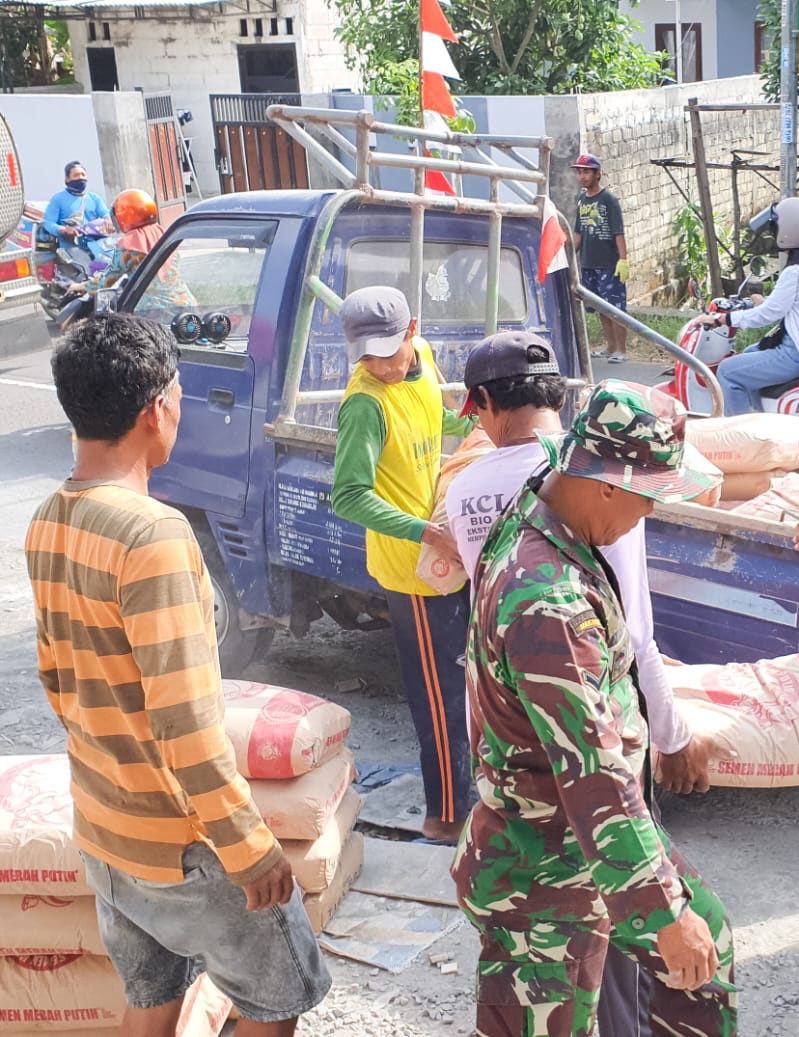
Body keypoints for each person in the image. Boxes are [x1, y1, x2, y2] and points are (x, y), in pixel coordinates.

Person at [26, 313, 331, 1035]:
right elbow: (187, 724)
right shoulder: (151, 535)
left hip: (104, 828)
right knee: (275, 1000)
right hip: (182, 845)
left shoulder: (50, 517)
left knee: (150, 1003)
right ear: (156, 408)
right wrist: (250, 849)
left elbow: (57, 683)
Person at [452, 380, 735, 1037]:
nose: (648, 514)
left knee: (704, 954)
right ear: (607, 482)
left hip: (576, 842)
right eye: (648, 496)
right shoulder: (548, 602)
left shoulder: (545, 500)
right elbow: (595, 777)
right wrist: (663, 911)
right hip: (543, 870)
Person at [330, 285, 474, 841]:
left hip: (447, 555)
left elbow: (439, 422)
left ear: (412, 331)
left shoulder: (426, 360)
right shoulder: (364, 403)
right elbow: (348, 496)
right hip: (409, 571)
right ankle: (443, 819)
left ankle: (470, 795)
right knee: (438, 700)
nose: (379, 365)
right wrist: (424, 532)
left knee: (465, 686)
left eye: (387, 351)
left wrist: (480, 424)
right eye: (366, 354)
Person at [705, 196, 799, 415]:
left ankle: (741, 436)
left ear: (788, 231)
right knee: (752, 351)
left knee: (727, 371)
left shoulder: (796, 272)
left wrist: (724, 319)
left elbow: (768, 315)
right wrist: (762, 303)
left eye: (776, 228)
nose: (773, 233)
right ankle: (762, 417)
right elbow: (790, 307)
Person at [58, 189, 193, 327]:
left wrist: (81, 286)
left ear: (125, 216)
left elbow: (107, 281)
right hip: (186, 305)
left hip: (154, 313)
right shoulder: (163, 233)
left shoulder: (130, 244)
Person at [573, 154, 632, 364]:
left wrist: (623, 260)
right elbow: (579, 232)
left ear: (598, 174)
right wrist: (570, 254)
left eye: (586, 171)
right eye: (579, 172)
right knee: (600, 308)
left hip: (609, 263)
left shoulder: (609, 200)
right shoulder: (582, 200)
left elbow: (618, 232)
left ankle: (622, 350)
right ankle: (610, 347)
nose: (582, 176)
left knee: (615, 308)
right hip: (589, 262)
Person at [40, 159, 110, 253]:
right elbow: (48, 223)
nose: (80, 178)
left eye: (83, 175)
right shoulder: (58, 199)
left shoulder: (94, 198)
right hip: (72, 252)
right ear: (67, 179)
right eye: (76, 175)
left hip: (98, 249)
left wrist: (108, 220)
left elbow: (106, 214)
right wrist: (63, 230)